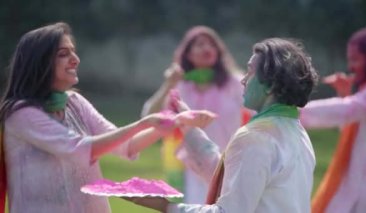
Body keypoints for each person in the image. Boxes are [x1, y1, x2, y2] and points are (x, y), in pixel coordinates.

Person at [0, 22, 215, 213]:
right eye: (63, 54)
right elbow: (80, 149)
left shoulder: (74, 102)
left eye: (73, 52)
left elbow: (127, 145)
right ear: (39, 62)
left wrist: (175, 121)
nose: (75, 60)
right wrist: (145, 123)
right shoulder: (21, 114)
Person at [127, 38, 319, 212]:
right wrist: (188, 127)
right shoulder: (297, 132)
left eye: (251, 72)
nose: (244, 80)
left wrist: (168, 207)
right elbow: (233, 178)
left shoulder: (255, 137)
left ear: (269, 85)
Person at [141, 26, 249, 203]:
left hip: (229, 164)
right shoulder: (181, 86)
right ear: (188, 54)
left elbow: (259, 110)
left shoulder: (234, 82)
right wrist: (169, 84)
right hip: (191, 169)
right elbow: (149, 115)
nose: (207, 48)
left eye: (211, 44)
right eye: (200, 44)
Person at [301, 21, 366, 213]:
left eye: (355, 60)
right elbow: (354, 129)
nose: (350, 67)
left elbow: (348, 109)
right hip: (361, 189)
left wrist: (289, 110)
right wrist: (345, 95)